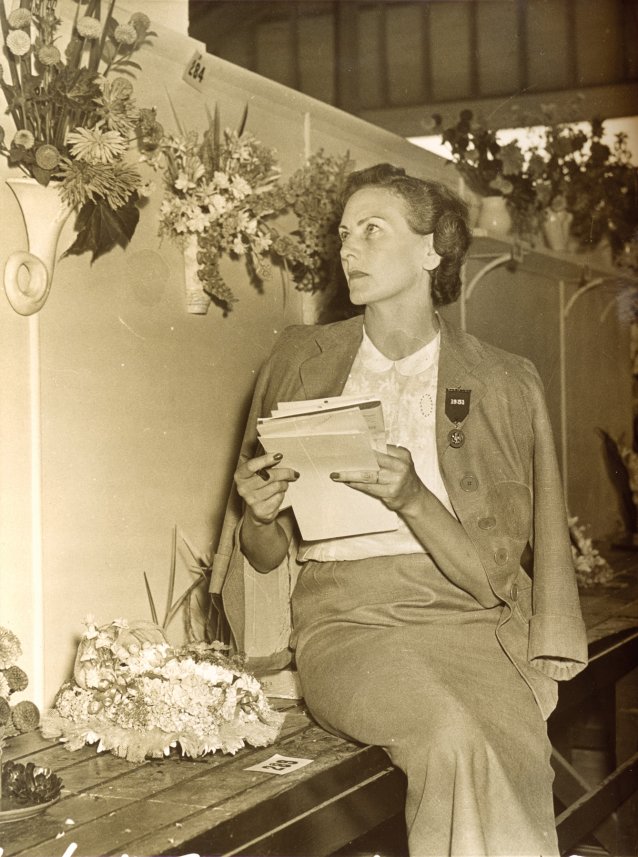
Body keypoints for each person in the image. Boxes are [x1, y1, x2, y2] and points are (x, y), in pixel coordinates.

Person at [211, 163, 588, 856]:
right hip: (347, 625)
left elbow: (490, 579)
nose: (348, 248)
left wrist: (414, 497)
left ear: (432, 249)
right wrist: (259, 514)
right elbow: (264, 556)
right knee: (453, 736)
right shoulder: (300, 359)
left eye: (372, 231)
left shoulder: (503, 381)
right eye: (344, 233)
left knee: (510, 746)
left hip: (471, 625)